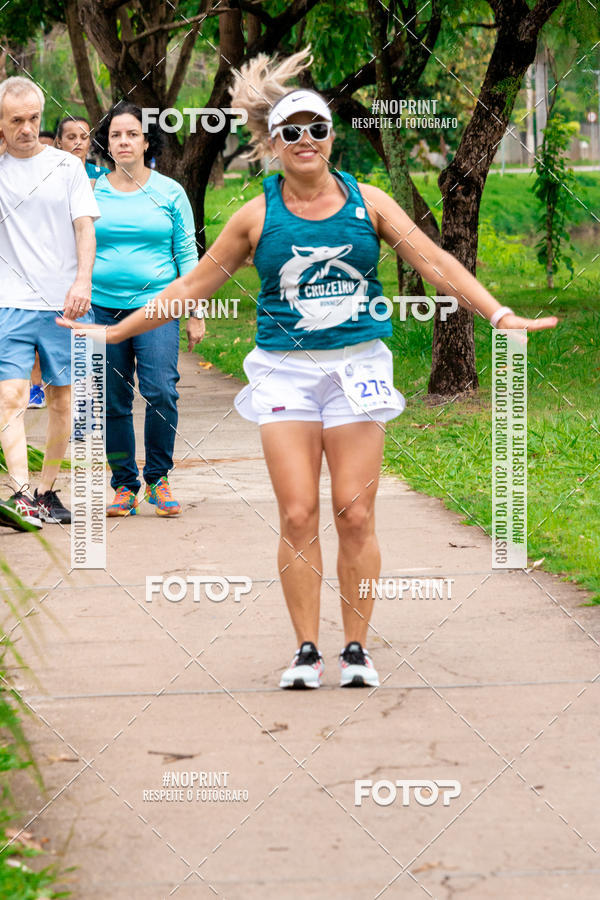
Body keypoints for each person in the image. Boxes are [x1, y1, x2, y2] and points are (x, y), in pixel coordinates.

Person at [58, 50, 557, 686]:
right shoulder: (257, 214)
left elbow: (435, 263)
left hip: (358, 369)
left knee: (354, 514)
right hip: (285, 374)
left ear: (330, 137)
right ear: (273, 141)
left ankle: (355, 650)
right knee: (297, 514)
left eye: (315, 129)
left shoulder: (367, 200)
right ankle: (304, 652)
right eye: (290, 131)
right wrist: (115, 330)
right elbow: (190, 288)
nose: (304, 140)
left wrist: (498, 313)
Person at [90, 101, 200, 517]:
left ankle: (158, 478)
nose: (123, 141)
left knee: (160, 391)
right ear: (108, 142)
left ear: (145, 141)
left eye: (131, 134)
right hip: (102, 309)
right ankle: (124, 486)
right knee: (113, 399)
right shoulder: (91, 190)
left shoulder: (170, 191)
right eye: (116, 134)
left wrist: (194, 311)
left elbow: (186, 252)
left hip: (159, 308)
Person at [0, 76, 99, 532]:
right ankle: (20, 495)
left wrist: (82, 281)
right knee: (10, 398)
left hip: (65, 301)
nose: (26, 128)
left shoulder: (67, 167)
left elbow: (84, 228)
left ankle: (46, 489)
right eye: (16, 120)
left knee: (64, 401)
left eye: (33, 119)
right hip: (10, 303)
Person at [55, 116, 110, 182]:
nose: (78, 142)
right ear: (59, 142)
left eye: (84, 137)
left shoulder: (103, 174)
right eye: (71, 137)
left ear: (89, 141)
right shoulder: (50, 174)